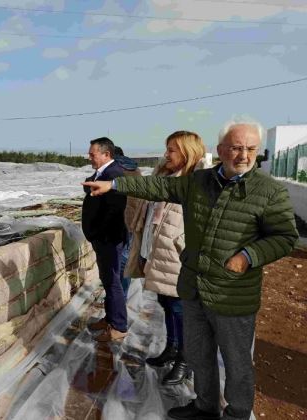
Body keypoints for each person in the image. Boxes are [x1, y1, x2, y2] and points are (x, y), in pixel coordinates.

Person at [83, 119, 298, 420]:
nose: (244, 156)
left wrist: (248, 256)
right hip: (194, 286)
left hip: (232, 293)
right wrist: (114, 183)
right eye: (236, 148)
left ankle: (237, 413)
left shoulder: (269, 191)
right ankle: (204, 406)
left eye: (251, 149)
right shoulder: (199, 182)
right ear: (221, 149)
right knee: (199, 354)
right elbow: (158, 185)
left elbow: (285, 237)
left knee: (236, 363)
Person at [123, 131, 208, 386]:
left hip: (178, 257)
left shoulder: (198, 182)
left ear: (187, 152)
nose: (166, 154)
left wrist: (181, 244)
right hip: (157, 250)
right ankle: (172, 349)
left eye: (172, 150)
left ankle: (186, 360)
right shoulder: (165, 176)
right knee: (167, 304)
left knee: (182, 310)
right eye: (167, 149)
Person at [82, 137, 129, 342]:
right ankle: (110, 319)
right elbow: (88, 186)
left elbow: (114, 212)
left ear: (106, 154)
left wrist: (98, 233)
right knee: (108, 281)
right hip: (103, 238)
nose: (89, 157)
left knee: (113, 282)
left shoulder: (114, 175)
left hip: (109, 238)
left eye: (93, 154)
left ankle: (118, 326)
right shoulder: (104, 173)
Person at [114, 145, 142, 299]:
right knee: (126, 258)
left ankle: (119, 299)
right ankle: (121, 296)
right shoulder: (134, 169)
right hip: (134, 220)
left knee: (121, 262)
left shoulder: (115, 171)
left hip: (121, 222)